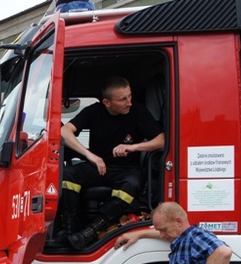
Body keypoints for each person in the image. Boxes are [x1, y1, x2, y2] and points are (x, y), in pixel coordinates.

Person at [53, 75, 165, 249]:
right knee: (67, 176)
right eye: (122, 99)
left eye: (130, 96)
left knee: (130, 187)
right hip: (98, 166)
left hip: (127, 169)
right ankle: (68, 229)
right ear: (106, 102)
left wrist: (134, 147)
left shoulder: (138, 112)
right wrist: (90, 155)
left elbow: (162, 140)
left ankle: (92, 231)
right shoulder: (94, 111)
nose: (129, 102)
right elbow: (64, 132)